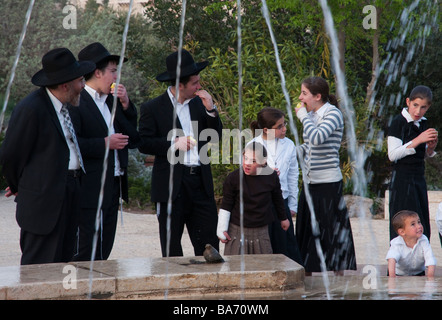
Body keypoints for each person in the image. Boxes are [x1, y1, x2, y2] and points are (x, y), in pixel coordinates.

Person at [0, 48, 95, 265]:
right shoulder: (32, 108)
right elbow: (10, 155)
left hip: (69, 193)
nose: (83, 86)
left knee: (63, 263)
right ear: (65, 85)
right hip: (43, 204)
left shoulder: (65, 106)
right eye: (80, 81)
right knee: (39, 268)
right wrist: (19, 185)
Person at [138, 49, 222, 257]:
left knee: (209, 245)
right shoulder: (153, 108)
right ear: (179, 85)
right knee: (171, 246)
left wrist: (211, 110)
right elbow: (143, 143)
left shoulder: (200, 104)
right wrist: (173, 144)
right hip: (171, 185)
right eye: (195, 83)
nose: (199, 86)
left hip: (200, 183)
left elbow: (215, 137)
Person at [69, 42, 140, 261]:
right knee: (86, 246)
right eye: (113, 71)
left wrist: (126, 104)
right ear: (98, 73)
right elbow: (72, 143)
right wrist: (104, 143)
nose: (116, 76)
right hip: (90, 186)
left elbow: (134, 138)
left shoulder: (112, 101)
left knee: (105, 245)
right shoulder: (77, 102)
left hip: (114, 184)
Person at [294, 76, 357, 275]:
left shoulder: (333, 113)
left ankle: (338, 276)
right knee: (307, 230)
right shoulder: (312, 115)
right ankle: (308, 272)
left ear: (317, 96)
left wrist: (303, 117)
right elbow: (310, 146)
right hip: (310, 182)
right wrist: (287, 151)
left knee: (331, 229)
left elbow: (318, 138)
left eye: (304, 93)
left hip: (328, 183)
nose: (300, 97)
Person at [249, 107, 302, 264]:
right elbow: (246, 174)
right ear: (266, 130)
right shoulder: (253, 145)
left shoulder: (289, 145)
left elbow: (293, 176)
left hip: (282, 203)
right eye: (279, 126)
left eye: (284, 124)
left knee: (285, 244)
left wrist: (293, 204)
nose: (284, 128)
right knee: (264, 243)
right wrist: (265, 173)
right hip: (261, 204)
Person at [217, 142, 290, 255]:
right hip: (237, 230)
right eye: (245, 158)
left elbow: (277, 198)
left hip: (261, 231)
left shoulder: (271, 176)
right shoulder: (233, 178)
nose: (247, 163)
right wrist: (221, 229)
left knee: (263, 269)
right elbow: (226, 204)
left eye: (253, 161)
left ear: (263, 162)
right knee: (235, 268)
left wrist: (283, 218)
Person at [387, 85, 438, 244]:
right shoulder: (397, 122)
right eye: (415, 105)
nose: (418, 111)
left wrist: (430, 149)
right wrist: (418, 140)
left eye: (423, 107)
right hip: (402, 181)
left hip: (418, 179)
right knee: (403, 223)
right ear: (408, 102)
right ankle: (398, 266)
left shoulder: (424, 123)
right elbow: (392, 155)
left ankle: (420, 266)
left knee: (420, 222)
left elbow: (421, 155)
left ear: (428, 107)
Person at [386, 210, 436, 277]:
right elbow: (392, 259)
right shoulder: (397, 243)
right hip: (400, 274)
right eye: (413, 224)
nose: (419, 226)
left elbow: (430, 258)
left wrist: (430, 278)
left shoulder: (423, 240)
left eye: (419, 222)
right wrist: (392, 278)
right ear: (402, 232)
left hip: (419, 274)